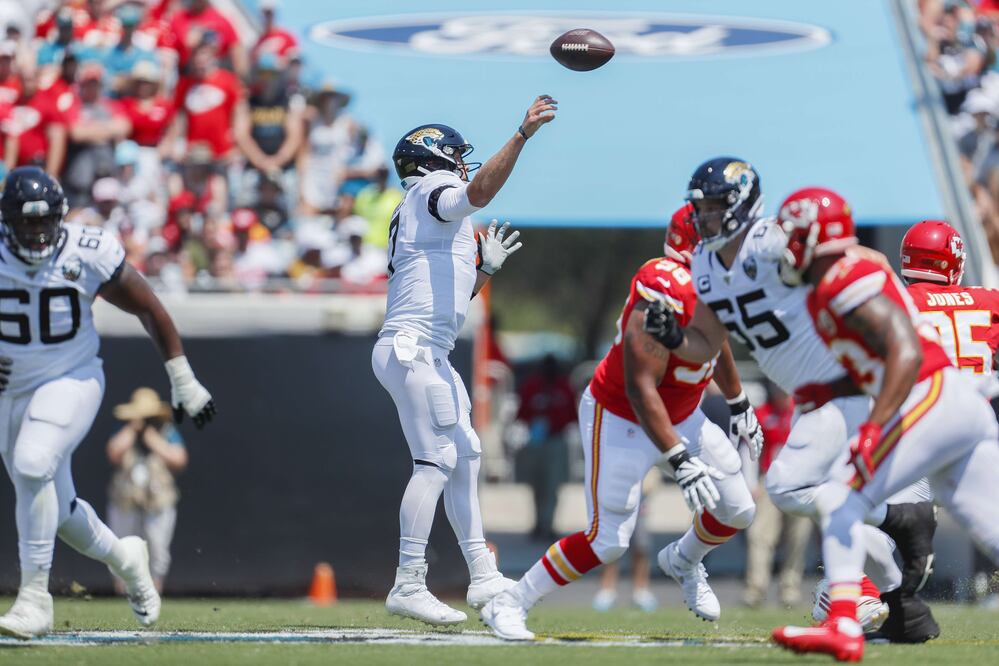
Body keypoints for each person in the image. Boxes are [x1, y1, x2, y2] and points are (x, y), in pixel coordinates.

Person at [482, 203, 759, 640]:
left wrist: (738, 400)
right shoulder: (662, 284)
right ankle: (511, 601)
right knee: (607, 540)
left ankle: (684, 560)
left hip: (684, 413)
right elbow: (639, 386)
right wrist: (679, 457)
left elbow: (713, 341)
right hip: (622, 415)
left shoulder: (715, 284)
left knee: (739, 508)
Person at [753, 186, 999, 661]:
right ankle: (866, 604)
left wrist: (872, 425)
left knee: (845, 502)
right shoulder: (985, 301)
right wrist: (830, 391)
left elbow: (905, 356)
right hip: (966, 412)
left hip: (925, 407)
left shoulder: (857, 284)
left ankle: (845, 614)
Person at [0, 167, 215, 640]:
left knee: (33, 463)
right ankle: (126, 558)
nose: (37, 234)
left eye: (44, 223)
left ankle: (35, 598)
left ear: (59, 218)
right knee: (53, 510)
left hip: (69, 377)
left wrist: (183, 378)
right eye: (25, 224)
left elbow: (148, 306)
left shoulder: (85, 250)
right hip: (10, 392)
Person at [371, 95, 555, 625]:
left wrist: (485, 272)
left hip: (428, 348)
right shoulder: (432, 187)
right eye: (457, 155)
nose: (464, 164)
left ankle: (481, 571)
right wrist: (520, 135)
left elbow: (445, 301)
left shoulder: (424, 209)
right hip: (413, 348)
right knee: (435, 461)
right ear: (435, 158)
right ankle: (408, 582)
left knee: (467, 452)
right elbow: (478, 190)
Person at [106, 387, 187, 593]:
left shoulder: (166, 432)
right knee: (122, 545)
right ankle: (121, 589)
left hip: (158, 500)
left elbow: (179, 459)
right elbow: (113, 453)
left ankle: (154, 588)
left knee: (157, 547)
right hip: (126, 499)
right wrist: (132, 431)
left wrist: (154, 440)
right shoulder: (125, 430)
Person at [742, 382, 813, 608]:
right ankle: (756, 588)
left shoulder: (803, 413)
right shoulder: (762, 413)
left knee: (798, 537)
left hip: (800, 481)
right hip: (769, 479)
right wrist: (750, 482)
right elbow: (750, 449)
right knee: (760, 535)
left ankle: (790, 588)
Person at [514, 353, 576, 543]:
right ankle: (539, 523)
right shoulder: (532, 386)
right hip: (536, 440)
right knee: (537, 485)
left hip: (556, 441)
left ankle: (547, 524)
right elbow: (522, 413)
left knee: (552, 486)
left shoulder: (564, 386)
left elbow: (572, 415)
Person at [592, 489, 657, 613]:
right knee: (611, 544)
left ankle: (641, 591)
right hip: (613, 497)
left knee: (641, 546)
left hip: (638, 497)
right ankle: (607, 590)